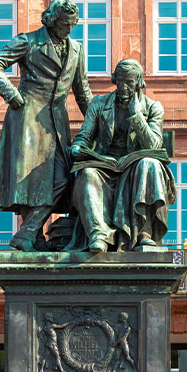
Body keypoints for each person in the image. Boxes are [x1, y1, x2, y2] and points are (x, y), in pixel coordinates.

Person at [0, 0, 91, 251]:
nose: (68, 30)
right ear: (51, 20)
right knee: (28, 180)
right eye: (64, 24)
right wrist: (12, 95)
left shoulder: (77, 50)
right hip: (27, 116)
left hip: (57, 122)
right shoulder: (29, 41)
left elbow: (82, 91)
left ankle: (26, 233)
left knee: (62, 179)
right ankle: (35, 237)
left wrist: (98, 122)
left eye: (72, 25)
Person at [68, 59, 176, 252]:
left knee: (149, 164)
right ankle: (99, 236)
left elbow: (154, 145)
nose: (124, 87)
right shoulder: (99, 104)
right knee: (87, 174)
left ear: (139, 83)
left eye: (130, 82)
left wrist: (136, 117)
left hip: (136, 169)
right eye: (120, 81)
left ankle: (145, 232)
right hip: (105, 167)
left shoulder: (153, 108)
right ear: (115, 80)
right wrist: (78, 147)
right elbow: (84, 136)